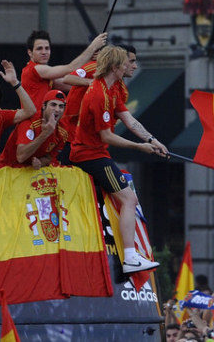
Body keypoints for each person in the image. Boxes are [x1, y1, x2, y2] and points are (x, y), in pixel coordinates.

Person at [69, 45, 167, 273]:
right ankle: (130, 257)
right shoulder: (98, 94)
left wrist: (153, 140)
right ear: (115, 67)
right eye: (125, 62)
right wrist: (140, 147)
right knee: (129, 200)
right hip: (88, 155)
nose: (129, 66)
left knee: (129, 199)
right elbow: (107, 136)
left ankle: (131, 256)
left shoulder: (112, 89)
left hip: (97, 152)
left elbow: (130, 121)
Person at [20, 31, 108, 111]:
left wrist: (91, 60)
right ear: (30, 52)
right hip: (33, 124)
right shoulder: (35, 69)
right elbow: (70, 68)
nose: (44, 52)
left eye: (47, 48)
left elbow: (69, 83)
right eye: (39, 49)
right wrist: (93, 46)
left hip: (44, 123)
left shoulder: (45, 76)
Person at [0, 89, 69, 168]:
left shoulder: (63, 130)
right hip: (9, 167)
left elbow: (49, 157)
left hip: (32, 171)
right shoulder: (30, 122)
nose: (57, 110)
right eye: (53, 105)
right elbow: (21, 157)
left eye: (61, 106)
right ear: (43, 106)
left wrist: (40, 162)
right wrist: (45, 134)